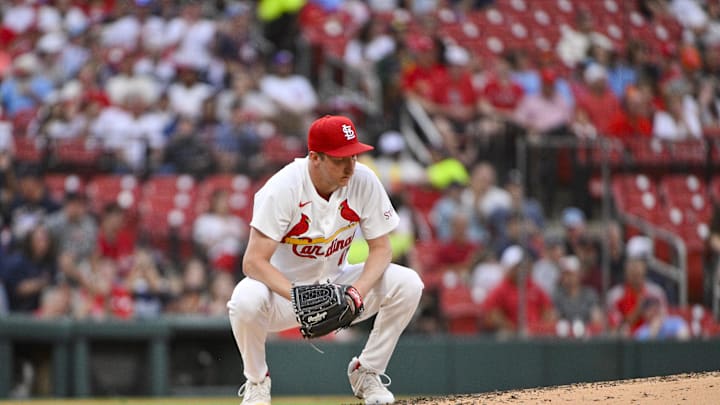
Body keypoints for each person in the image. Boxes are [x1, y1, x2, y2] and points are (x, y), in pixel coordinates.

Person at [227, 115, 424, 405]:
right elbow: (253, 262)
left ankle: (367, 371)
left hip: (338, 287)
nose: (350, 165)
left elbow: (382, 248)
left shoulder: (364, 180)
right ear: (314, 158)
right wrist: (299, 294)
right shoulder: (283, 188)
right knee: (244, 299)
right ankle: (257, 382)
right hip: (281, 296)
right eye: (339, 158)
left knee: (408, 283)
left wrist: (357, 291)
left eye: (353, 155)